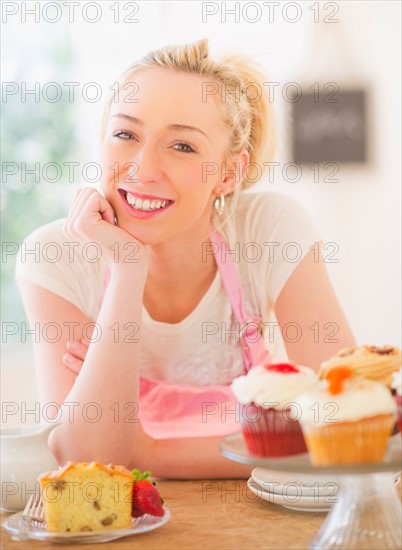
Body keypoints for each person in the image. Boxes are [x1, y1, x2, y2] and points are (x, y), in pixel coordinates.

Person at [16, 39, 355, 478]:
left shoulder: (269, 229)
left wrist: (150, 453)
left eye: (183, 147)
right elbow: (87, 463)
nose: (143, 168)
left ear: (228, 174)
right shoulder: (55, 257)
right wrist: (126, 269)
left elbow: (344, 422)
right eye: (126, 134)